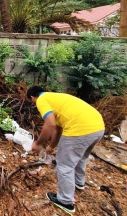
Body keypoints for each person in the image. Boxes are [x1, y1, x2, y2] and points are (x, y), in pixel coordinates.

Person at [27, 86, 105, 214]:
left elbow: (50, 124)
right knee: (81, 156)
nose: (35, 104)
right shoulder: (56, 98)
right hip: (98, 127)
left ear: (32, 97)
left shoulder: (42, 99)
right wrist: (51, 147)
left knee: (64, 164)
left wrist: (38, 143)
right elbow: (58, 129)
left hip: (80, 128)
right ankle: (79, 183)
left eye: (32, 102)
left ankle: (65, 201)